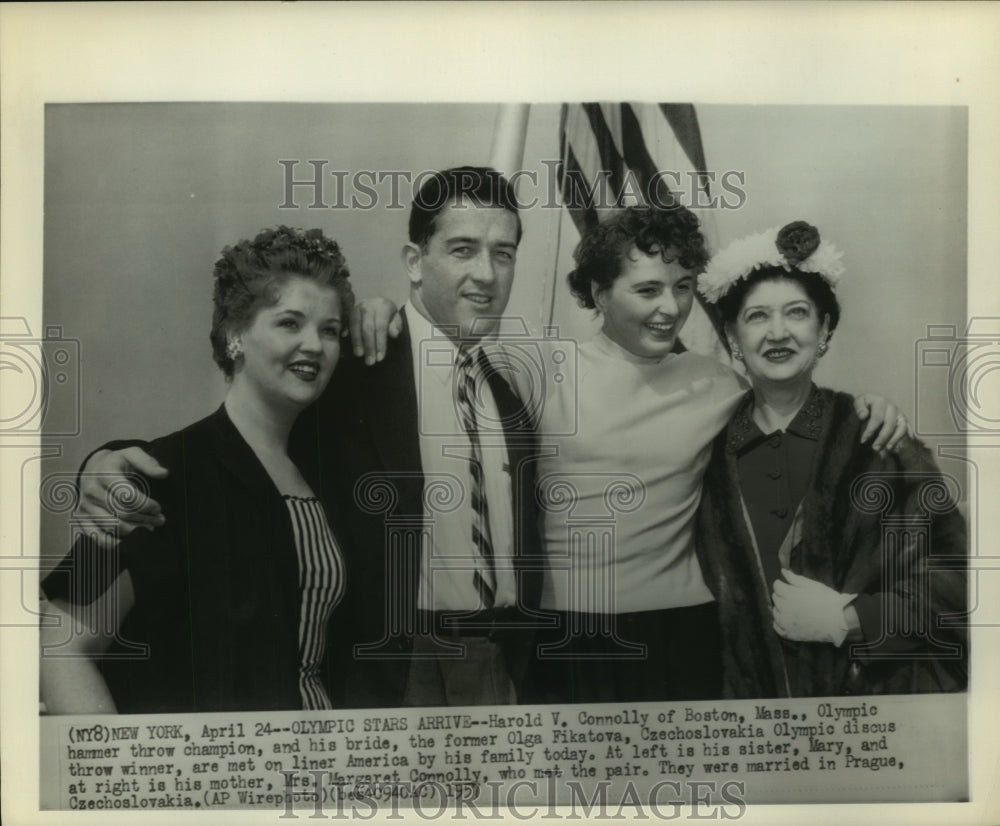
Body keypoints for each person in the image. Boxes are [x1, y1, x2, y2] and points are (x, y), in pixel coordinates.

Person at [351, 206, 910, 704]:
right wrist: (379, 311)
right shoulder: (533, 368)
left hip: (682, 633)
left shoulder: (719, 383)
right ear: (598, 294)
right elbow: (437, 347)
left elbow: (795, 405)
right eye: (647, 291)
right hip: (557, 635)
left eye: (684, 287)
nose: (671, 308)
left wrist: (872, 407)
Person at [70, 167, 543, 709]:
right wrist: (104, 462)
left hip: (501, 668)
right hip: (393, 673)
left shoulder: (509, 401)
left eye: (503, 254)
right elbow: (235, 435)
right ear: (415, 262)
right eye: (463, 249)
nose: (486, 273)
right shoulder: (357, 366)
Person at [40, 226, 354, 713]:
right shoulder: (162, 474)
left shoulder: (323, 473)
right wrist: (125, 775)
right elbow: (58, 645)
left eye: (330, 330)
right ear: (235, 336)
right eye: (290, 323)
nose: (314, 344)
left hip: (321, 763)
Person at [694, 220, 968, 697]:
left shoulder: (882, 443)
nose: (778, 333)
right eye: (757, 316)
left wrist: (848, 619)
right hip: (743, 725)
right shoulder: (701, 453)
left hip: (873, 720)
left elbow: (960, 589)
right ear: (733, 337)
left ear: (824, 329)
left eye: (797, 313)